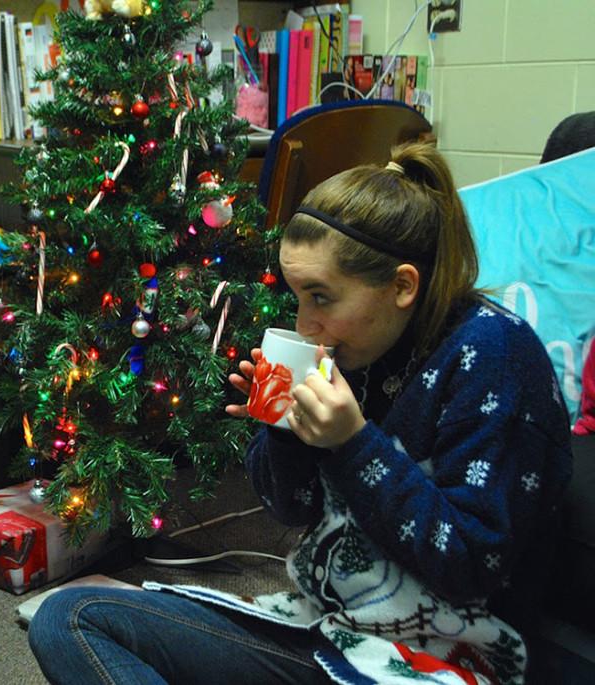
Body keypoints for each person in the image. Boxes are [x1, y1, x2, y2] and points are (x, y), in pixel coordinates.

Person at [28, 142, 572, 684]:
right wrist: (286, 431)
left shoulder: (496, 358)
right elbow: (293, 510)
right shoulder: (360, 345)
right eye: (297, 296)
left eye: (320, 297)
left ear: (402, 286)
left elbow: (470, 568)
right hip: (331, 632)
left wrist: (352, 444)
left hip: (439, 662)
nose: (305, 323)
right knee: (69, 619)